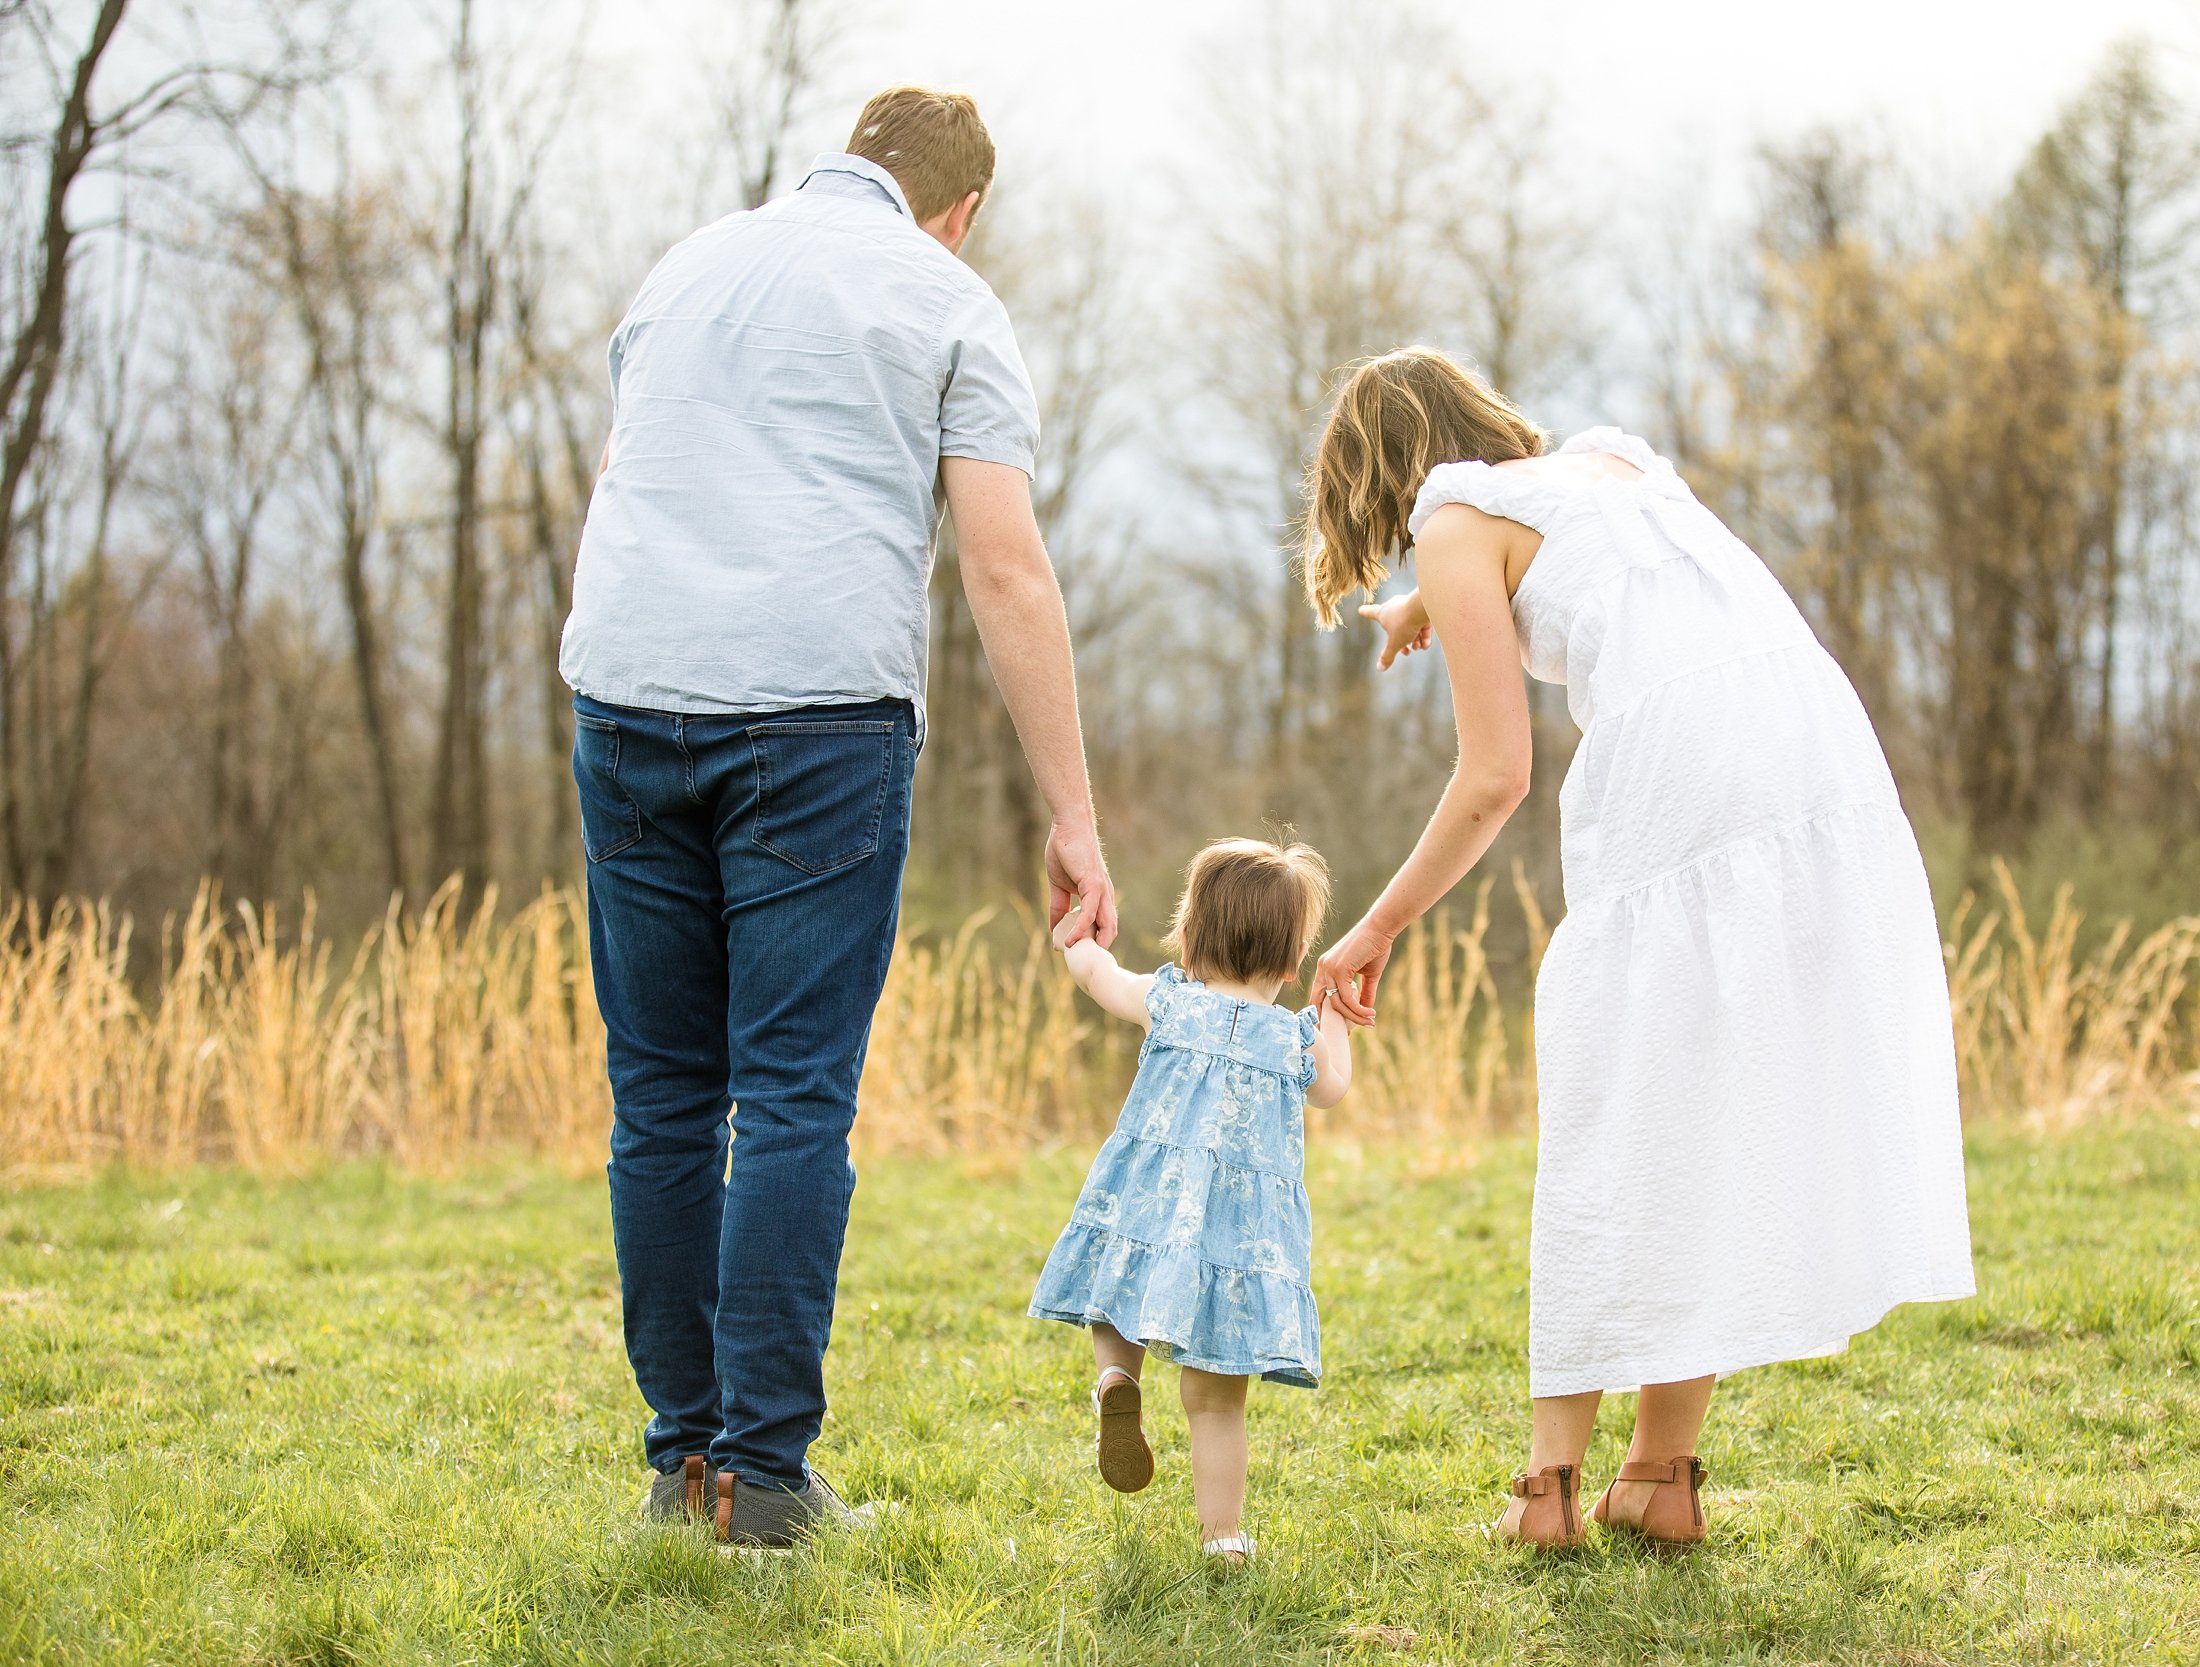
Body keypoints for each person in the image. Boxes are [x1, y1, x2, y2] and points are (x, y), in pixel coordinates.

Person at [560, 86, 1117, 1548]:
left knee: (663, 1097)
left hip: (626, 695)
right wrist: (1073, 810)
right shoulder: (946, 295)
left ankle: (680, 1466)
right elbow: (1003, 569)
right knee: (793, 1093)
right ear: (962, 206)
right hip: (815, 713)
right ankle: (762, 1480)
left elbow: (625, 483)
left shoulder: (684, 266)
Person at [1305, 348, 1974, 1549]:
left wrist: (1377, 921)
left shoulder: (1452, 514)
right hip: (1821, 760)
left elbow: (1495, 772)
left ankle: (1546, 1491)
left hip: (1687, 785)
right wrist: (1431, 597)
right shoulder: (1615, 458)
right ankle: (1660, 1474)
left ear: (1382, 473)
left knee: (1615, 1109)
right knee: (1710, 1113)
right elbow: (1581, 566)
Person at [1028, 837, 1354, 1564]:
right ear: (1293, 958)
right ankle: (1224, 1537)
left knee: (1117, 1291)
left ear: (1189, 933)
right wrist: (1334, 1014)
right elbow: (1334, 1087)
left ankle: (1117, 1376)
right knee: (1216, 1401)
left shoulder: (1169, 1002)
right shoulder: (1291, 1040)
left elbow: (1096, 976)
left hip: (1149, 1200)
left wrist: (1077, 931)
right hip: (1238, 1241)